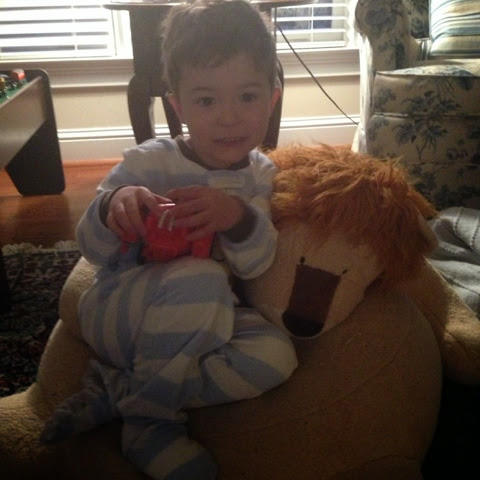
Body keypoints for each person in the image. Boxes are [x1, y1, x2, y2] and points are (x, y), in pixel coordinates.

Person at [40, 1, 298, 479]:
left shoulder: (263, 177)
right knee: (200, 277)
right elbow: (92, 249)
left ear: (273, 99)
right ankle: (149, 425)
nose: (229, 117)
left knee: (276, 356)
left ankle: (123, 393)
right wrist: (111, 207)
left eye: (247, 96)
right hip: (122, 311)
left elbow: (257, 264)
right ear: (178, 106)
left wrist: (238, 217)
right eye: (206, 101)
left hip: (207, 321)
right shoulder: (149, 162)